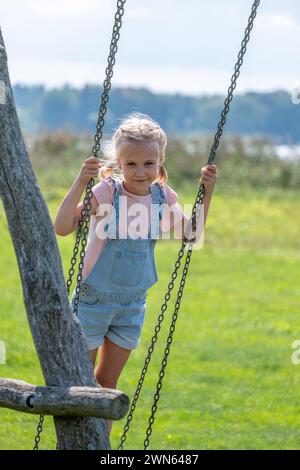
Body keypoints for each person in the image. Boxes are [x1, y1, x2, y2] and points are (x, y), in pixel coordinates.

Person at [54, 112, 217, 436]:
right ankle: (74, 443)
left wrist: (206, 193)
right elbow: (63, 227)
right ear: (118, 163)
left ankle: (101, 447)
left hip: (131, 307)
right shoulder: (107, 193)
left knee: (107, 386)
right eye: (131, 164)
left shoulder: (163, 197)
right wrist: (81, 182)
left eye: (148, 164)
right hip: (92, 302)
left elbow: (191, 236)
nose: (140, 172)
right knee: (79, 384)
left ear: (160, 162)